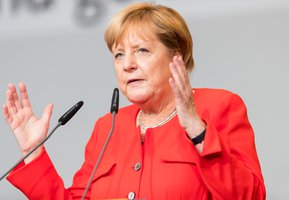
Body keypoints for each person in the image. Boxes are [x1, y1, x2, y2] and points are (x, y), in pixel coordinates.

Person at [2, 2, 266, 200]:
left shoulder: (219, 106)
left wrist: (197, 131)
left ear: (177, 55)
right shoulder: (107, 128)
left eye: (142, 50)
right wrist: (34, 152)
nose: (127, 64)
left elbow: (250, 196)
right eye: (118, 55)